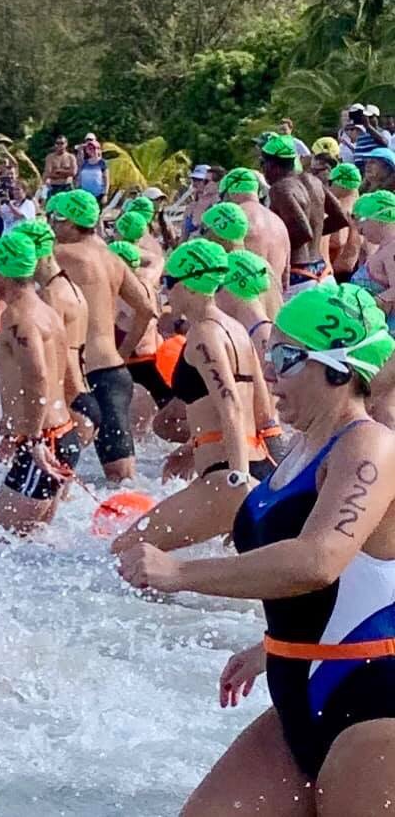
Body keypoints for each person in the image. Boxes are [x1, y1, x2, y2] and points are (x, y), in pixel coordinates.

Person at [118, 283, 395, 817]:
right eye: (270, 353)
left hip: (372, 699)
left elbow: (319, 561)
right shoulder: (301, 448)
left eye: (288, 358)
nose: (269, 372)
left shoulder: (369, 445)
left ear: (338, 369)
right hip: (300, 687)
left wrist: (179, 571)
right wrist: (269, 646)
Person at [111, 239, 280, 556]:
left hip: (227, 472)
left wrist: (237, 480)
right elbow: (261, 405)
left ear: (189, 286)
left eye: (169, 283)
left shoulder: (204, 335)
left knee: (126, 550)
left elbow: (230, 403)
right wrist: (192, 447)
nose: (164, 292)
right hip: (253, 465)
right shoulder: (237, 329)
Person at [53, 190, 154, 481]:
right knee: (122, 477)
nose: (54, 228)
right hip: (114, 373)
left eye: (58, 221)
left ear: (72, 224)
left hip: (83, 378)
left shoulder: (63, 255)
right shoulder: (114, 259)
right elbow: (147, 311)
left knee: (55, 467)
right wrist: (123, 353)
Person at [0, 231, 80, 538]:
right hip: (57, 434)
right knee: (28, 547)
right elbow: (64, 378)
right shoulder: (47, 313)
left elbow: (38, 376)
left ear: (4, 273)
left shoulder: (19, 318)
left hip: (44, 441)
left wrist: (34, 438)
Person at [13, 218, 100, 446]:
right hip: (86, 396)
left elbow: (48, 366)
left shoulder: (51, 296)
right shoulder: (71, 287)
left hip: (69, 403)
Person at [261, 135, 349, 295]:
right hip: (324, 272)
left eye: (263, 164)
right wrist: (316, 232)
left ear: (271, 165)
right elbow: (341, 218)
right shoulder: (313, 181)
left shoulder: (279, 189)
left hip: (297, 278)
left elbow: (302, 232)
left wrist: (275, 248)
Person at [109, 240, 173, 413]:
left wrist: (121, 355)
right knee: (165, 408)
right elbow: (157, 259)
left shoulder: (124, 296)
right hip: (154, 357)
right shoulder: (148, 280)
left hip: (136, 361)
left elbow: (137, 323)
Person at [200, 202, 282, 328]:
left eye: (203, 230)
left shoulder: (223, 275)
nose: (200, 237)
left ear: (218, 234)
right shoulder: (263, 265)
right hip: (274, 339)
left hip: (250, 344)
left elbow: (217, 325)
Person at [350, 191, 395, 334]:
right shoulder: (385, 247)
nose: (358, 229)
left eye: (362, 221)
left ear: (378, 219)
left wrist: (364, 306)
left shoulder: (393, 248)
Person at [327, 163, 362, 281]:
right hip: (354, 268)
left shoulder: (341, 208)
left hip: (338, 269)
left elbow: (337, 241)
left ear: (339, 183)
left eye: (330, 182)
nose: (328, 187)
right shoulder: (360, 204)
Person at [353, 102, 391, 170]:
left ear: (377, 118)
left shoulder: (384, 133)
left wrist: (368, 126)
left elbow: (385, 143)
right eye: (365, 117)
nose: (367, 120)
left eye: (370, 117)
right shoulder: (361, 136)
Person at [76, 139, 109, 209]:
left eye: (94, 148)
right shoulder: (84, 163)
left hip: (98, 195)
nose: (92, 150)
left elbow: (106, 180)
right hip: (85, 195)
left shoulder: (102, 163)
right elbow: (79, 178)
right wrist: (77, 189)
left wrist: (105, 194)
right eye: (90, 149)